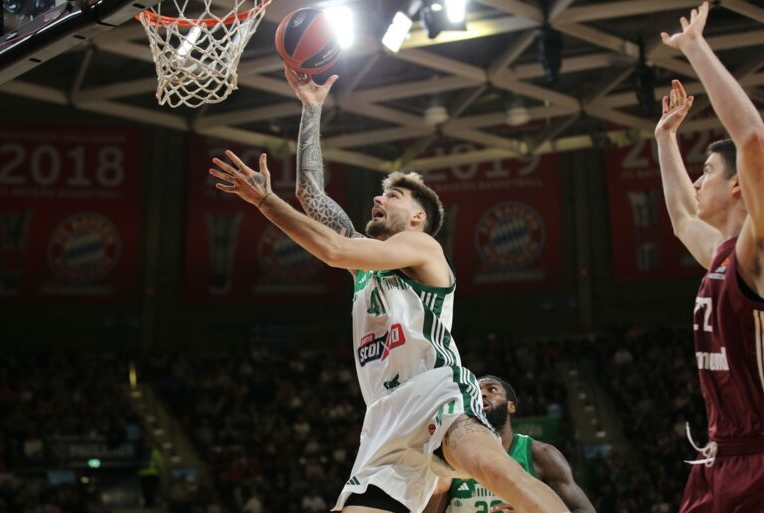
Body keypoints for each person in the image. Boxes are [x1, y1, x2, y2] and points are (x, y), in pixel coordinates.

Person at [207, 71, 568, 513]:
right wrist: (311, 107)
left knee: (498, 473)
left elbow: (333, 249)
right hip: (385, 416)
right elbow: (308, 192)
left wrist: (265, 200)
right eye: (381, 195)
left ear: (418, 218)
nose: (378, 199)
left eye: (393, 196)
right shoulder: (365, 265)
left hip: (437, 392)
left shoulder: (423, 248)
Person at [655, 3, 764, 511]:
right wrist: (665, 137)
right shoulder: (723, 257)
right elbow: (681, 218)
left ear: (739, 183)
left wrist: (695, 47)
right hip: (722, 456)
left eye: (707, 171)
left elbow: (754, 140)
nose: (697, 182)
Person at [424, 376, 595, 513]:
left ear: (511, 406)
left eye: (492, 389)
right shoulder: (451, 454)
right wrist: (436, 493)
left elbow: (584, 510)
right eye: (475, 391)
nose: (482, 394)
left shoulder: (540, 454)